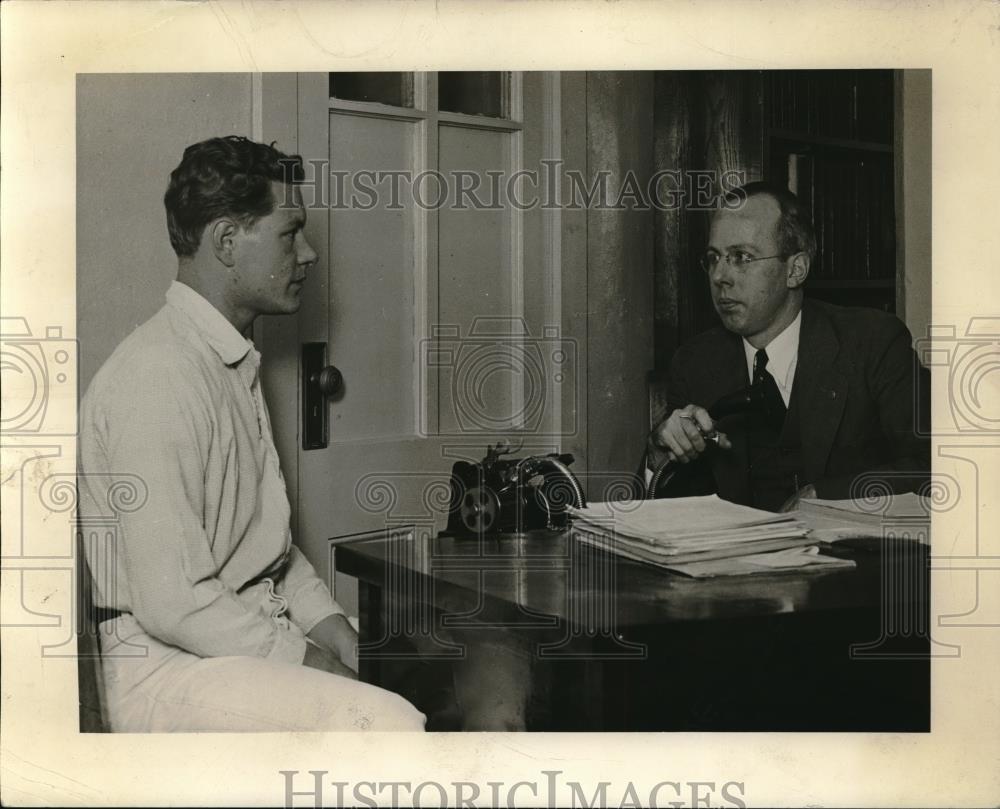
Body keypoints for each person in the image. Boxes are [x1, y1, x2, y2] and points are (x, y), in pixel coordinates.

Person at [78, 136, 425, 732]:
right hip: (165, 672)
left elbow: (269, 556)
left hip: (233, 643)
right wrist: (313, 663)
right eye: (291, 233)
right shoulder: (157, 376)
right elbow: (175, 603)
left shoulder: (226, 359)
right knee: (385, 723)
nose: (309, 254)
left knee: (420, 679)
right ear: (227, 242)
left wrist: (342, 639)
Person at [645, 181, 930, 511]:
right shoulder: (695, 363)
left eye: (741, 257)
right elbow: (669, 512)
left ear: (795, 270)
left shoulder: (872, 343)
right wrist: (659, 451)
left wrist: (822, 498)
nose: (720, 276)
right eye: (714, 258)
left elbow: (933, 466)